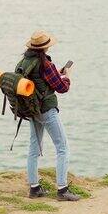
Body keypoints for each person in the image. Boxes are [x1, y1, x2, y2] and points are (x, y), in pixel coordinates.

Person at [19, 30, 80, 201]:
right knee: (63, 148)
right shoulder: (46, 64)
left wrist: (57, 72)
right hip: (47, 110)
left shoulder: (26, 61)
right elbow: (62, 88)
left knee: (34, 148)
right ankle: (62, 189)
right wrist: (67, 77)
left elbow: (40, 81)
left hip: (32, 110)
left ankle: (34, 188)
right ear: (45, 48)